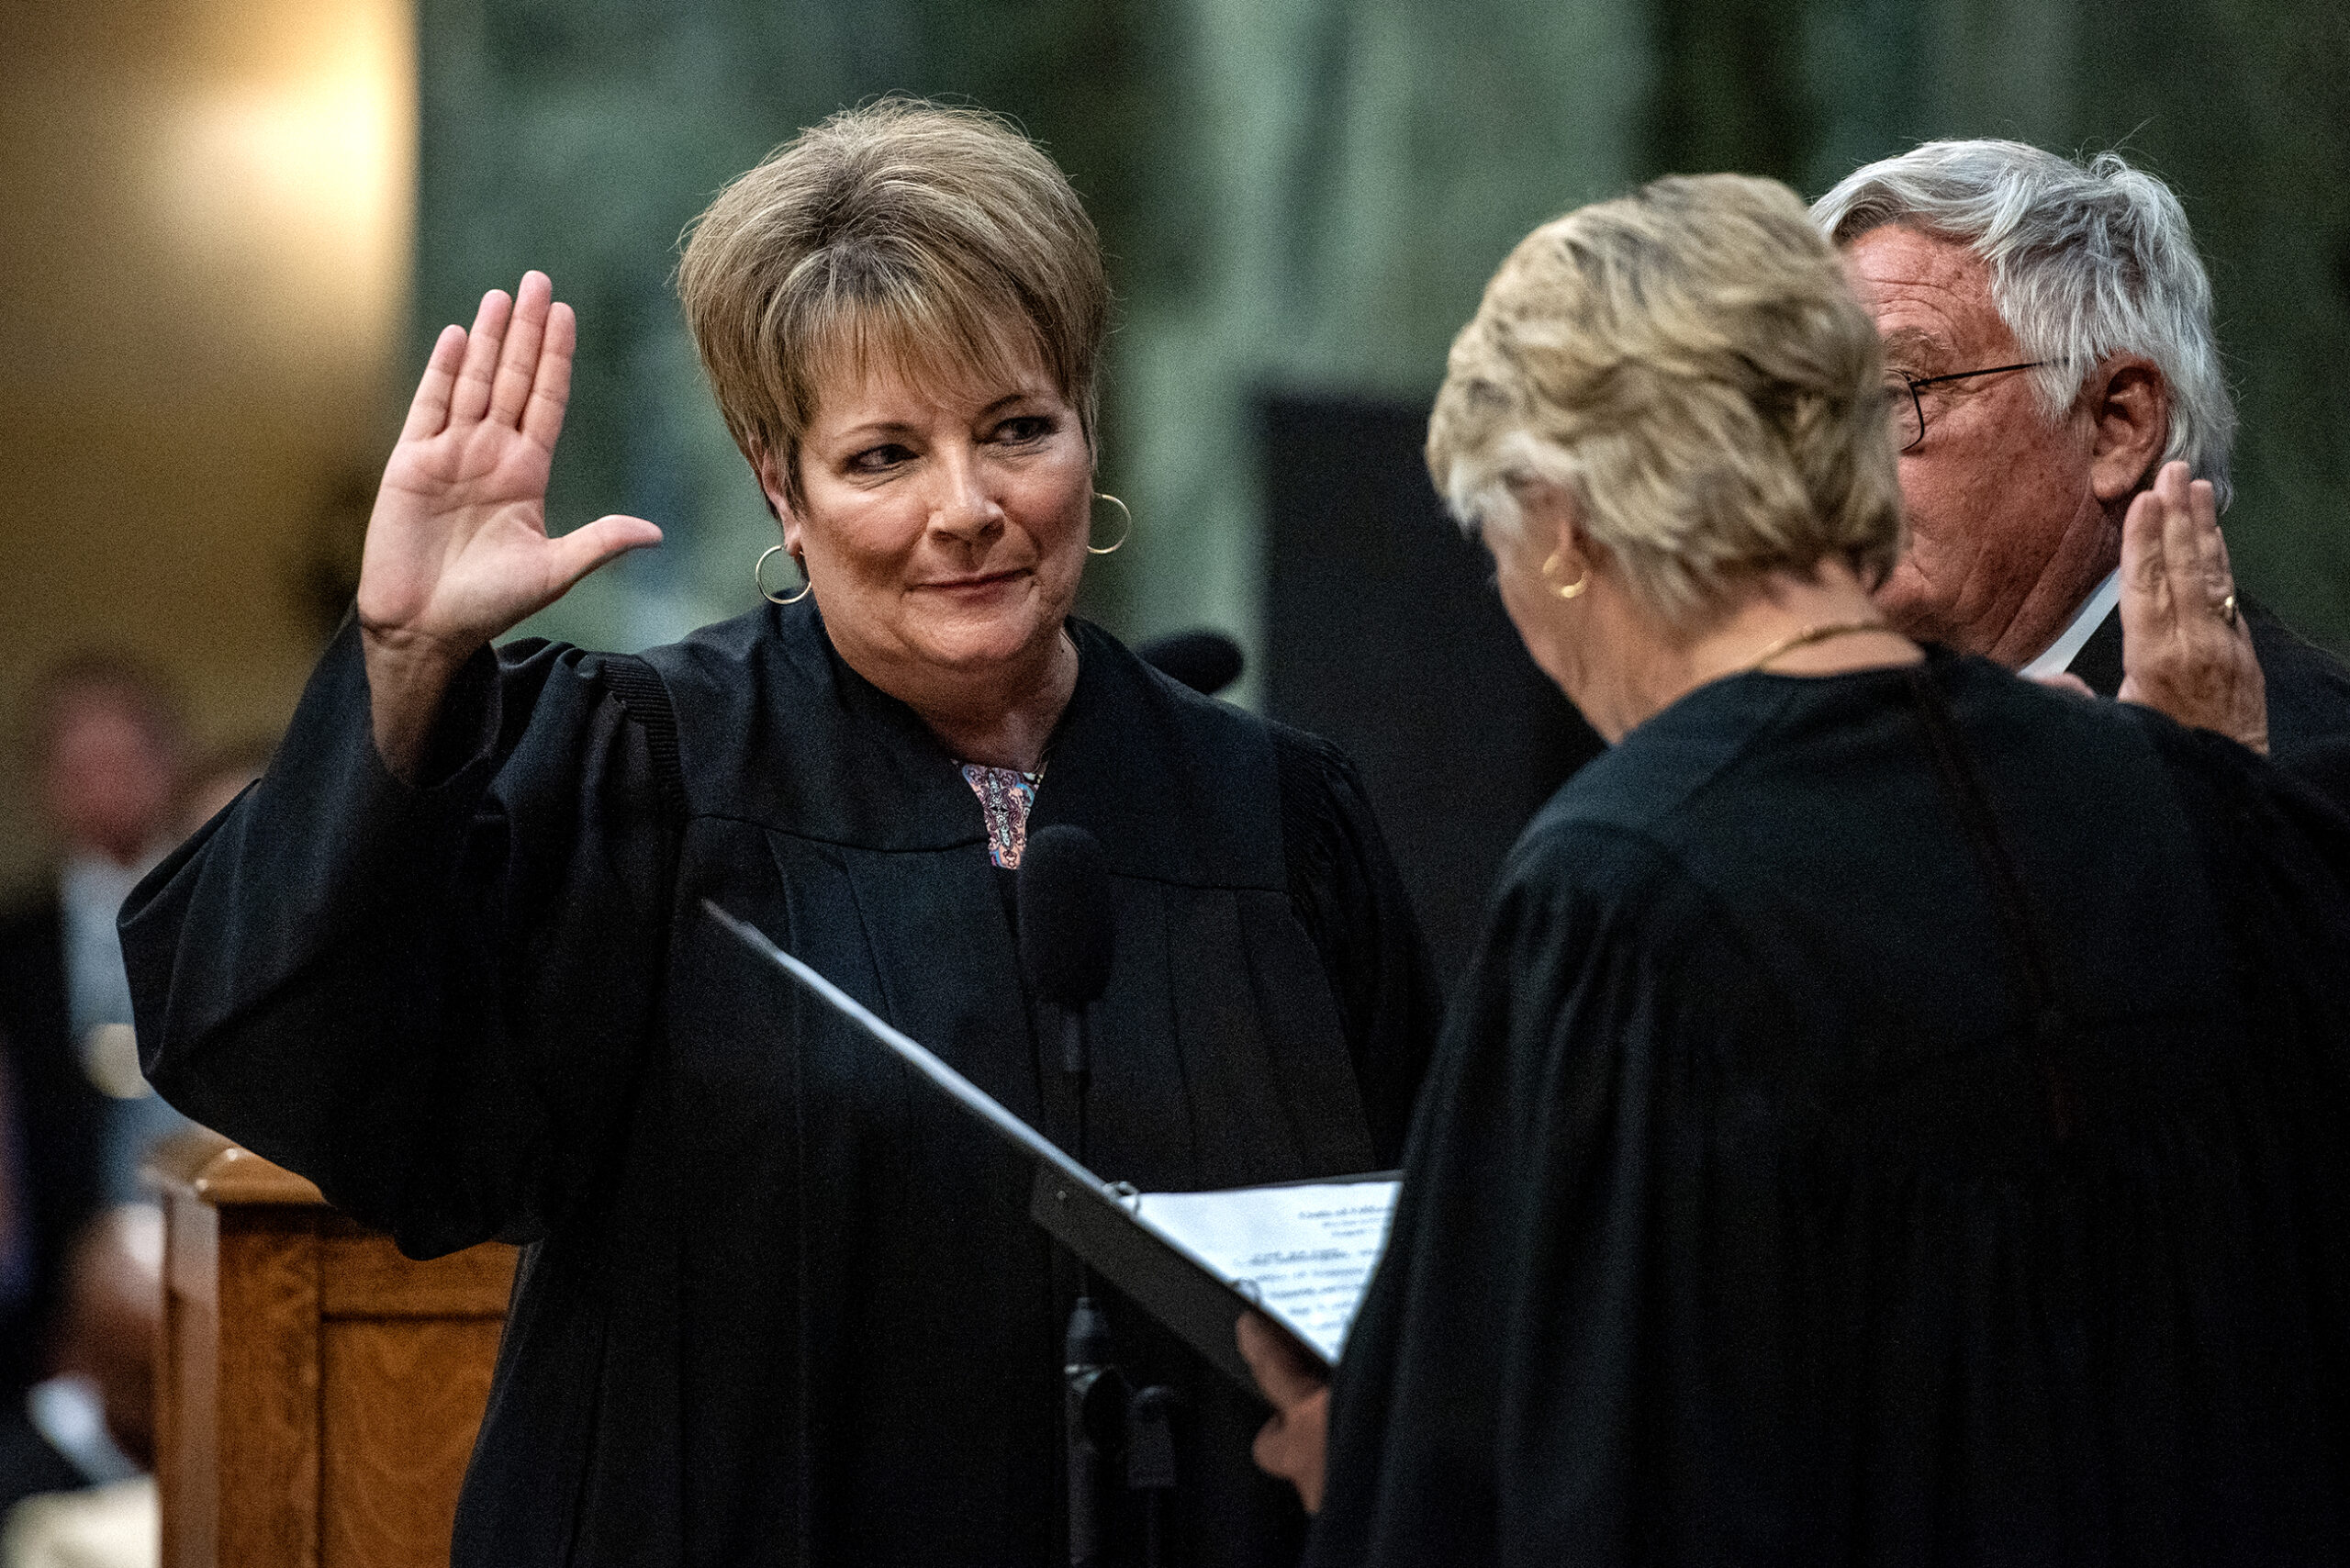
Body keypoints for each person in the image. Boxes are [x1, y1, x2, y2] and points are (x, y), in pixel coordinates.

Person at [120, 99, 1438, 1567]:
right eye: (883, 456)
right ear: (780, 486)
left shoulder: (1275, 813)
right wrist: (408, 659)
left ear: (1086, 427)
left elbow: (1410, 1250)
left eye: (1018, 430)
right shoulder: (645, 776)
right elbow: (312, 1058)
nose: (968, 509)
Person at [1240, 174, 2350, 1563]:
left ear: (1564, 526)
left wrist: (1392, 1469)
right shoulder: (2181, 792)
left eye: (1498, 547)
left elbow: (1607, 1471)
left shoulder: (1622, 891)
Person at [1811, 140, 2350, 790]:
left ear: (2115, 428)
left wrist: (2194, 796)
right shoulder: (1826, 744)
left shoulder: (2302, 770)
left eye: (1894, 396)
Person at [1, 658, 183, 1517]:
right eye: (80, 766)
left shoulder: (212, 909)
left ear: (164, 762)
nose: (102, 786)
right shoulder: (17, 947)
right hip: (58, 1294)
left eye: (122, 759)